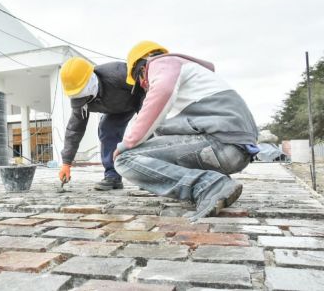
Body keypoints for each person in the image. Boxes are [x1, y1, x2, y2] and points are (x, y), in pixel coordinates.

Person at [113, 41, 259, 221]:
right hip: (236, 150)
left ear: (142, 68)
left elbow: (158, 101)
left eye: (140, 81)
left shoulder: (162, 63)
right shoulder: (192, 76)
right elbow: (163, 129)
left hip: (221, 143)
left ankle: (209, 185)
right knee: (154, 138)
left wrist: (125, 145)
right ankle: (214, 182)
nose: (144, 86)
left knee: (125, 159)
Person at [57, 57, 145, 190]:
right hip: (115, 110)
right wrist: (66, 163)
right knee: (106, 129)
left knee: (146, 131)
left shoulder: (118, 73)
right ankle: (112, 176)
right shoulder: (80, 101)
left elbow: (145, 87)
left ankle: (149, 177)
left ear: (90, 80)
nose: (81, 99)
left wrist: (146, 116)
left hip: (139, 98)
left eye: (82, 95)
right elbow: (74, 130)